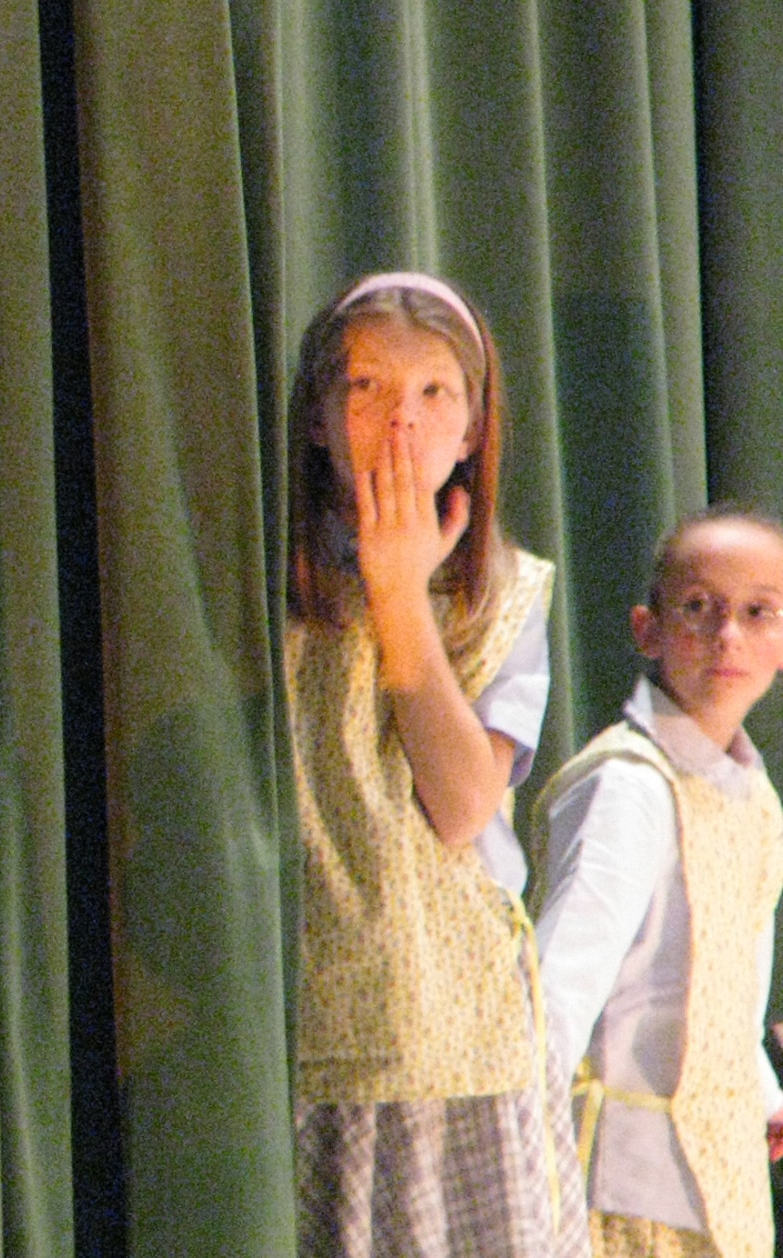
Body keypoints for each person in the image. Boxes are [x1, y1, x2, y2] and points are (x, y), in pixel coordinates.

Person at [284, 271, 588, 1255]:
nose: (399, 426)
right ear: (320, 420)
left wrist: (398, 597)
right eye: (366, 389)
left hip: (453, 1036)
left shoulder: (502, 593)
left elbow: (461, 806)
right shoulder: (264, 584)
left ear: (469, 429)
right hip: (306, 1028)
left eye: (432, 394)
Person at [535, 509, 783, 1258]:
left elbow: (726, 1006)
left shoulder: (752, 795)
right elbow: (554, 999)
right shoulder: (628, 786)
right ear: (648, 629)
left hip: (723, 1185)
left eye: (756, 611)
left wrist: (765, 1098)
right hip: (627, 1193)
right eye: (699, 609)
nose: (727, 637)